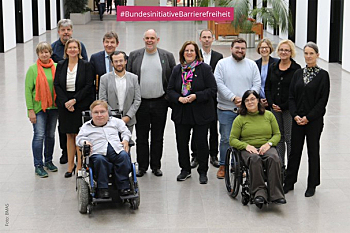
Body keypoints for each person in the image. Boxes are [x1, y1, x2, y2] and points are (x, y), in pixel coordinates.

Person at [283, 42, 330, 197]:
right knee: (294, 151)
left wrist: (308, 117)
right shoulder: (298, 73)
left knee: (313, 151)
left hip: (313, 121)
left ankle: (312, 184)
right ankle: (289, 182)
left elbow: (322, 101)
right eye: (306, 53)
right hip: (297, 120)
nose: (308, 56)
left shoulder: (323, 75)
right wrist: (295, 115)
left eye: (311, 53)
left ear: (317, 55)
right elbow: (291, 97)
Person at [127, 29, 176, 177]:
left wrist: (168, 98)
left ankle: (156, 166)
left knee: (157, 136)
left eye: (152, 38)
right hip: (140, 103)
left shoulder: (167, 56)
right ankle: (142, 166)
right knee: (141, 137)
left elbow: (172, 78)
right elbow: (129, 77)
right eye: (147, 38)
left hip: (160, 102)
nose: (149, 40)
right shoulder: (135, 56)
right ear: (144, 39)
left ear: (157, 40)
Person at [167, 41, 217, 184]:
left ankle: (203, 171)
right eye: (186, 51)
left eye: (192, 51)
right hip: (182, 113)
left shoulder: (205, 69)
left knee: (201, 142)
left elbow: (212, 89)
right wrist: (179, 98)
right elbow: (170, 90)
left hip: (201, 112)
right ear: (183, 53)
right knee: (182, 143)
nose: (189, 53)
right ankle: (185, 169)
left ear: (197, 53)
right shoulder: (177, 70)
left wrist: (196, 96)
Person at [230, 90, 286, 209]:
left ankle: (276, 194)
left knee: (274, 158)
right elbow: (232, 139)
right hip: (248, 148)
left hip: (265, 146)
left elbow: (277, 134)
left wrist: (269, 144)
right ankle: (259, 193)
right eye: (247, 100)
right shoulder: (240, 119)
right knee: (254, 159)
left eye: (252, 99)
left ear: (258, 100)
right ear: (244, 103)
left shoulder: (269, 115)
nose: (250, 102)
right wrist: (246, 146)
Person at [215, 38, 261, 179]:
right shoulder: (222, 64)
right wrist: (233, 98)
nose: (240, 51)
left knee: (245, 139)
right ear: (231, 48)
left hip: (246, 111)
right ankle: (223, 164)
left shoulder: (252, 65)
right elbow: (219, 83)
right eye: (237, 48)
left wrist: (247, 100)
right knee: (226, 139)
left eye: (243, 48)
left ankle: (240, 165)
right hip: (226, 108)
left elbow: (256, 84)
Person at [54, 38, 94, 178]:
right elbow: (57, 85)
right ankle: (70, 166)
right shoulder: (60, 65)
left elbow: (89, 85)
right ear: (66, 50)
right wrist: (66, 102)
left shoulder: (86, 65)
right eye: (69, 47)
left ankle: (79, 166)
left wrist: (74, 100)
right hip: (65, 105)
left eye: (75, 47)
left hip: (80, 103)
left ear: (79, 50)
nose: (72, 50)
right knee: (68, 135)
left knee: (79, 136)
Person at [76, 100, 132, 198]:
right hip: (98, 153)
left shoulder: (116, 122)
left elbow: (125, 131)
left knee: (124, 156)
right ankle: (102, 188)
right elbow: (79, 138)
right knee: (100, 160)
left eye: (102, 112)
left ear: (107, 112)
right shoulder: (86, 126)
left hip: (116, 150)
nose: (99, 115)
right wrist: (85, 142)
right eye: (96, 112)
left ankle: (123, 186)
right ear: (91, 114)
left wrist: (126, 140)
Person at [51, 19, 88, 165]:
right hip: (63, 97)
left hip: (78, 96)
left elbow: (85, 64)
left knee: (79, 130)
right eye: (63, 30)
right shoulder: (54, 48)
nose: (66, 32)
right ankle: (65, 153)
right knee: (64, 129)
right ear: (59, 31)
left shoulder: (80, 46)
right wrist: (64, 100)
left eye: (68, 30)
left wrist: (75, 99)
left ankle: (79, 160)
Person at [190, 29, 223, 169]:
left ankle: (213, 154)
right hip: (198, 97)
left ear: (213, 39)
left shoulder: (218, 56)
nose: (207, 40)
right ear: (200, 39)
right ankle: (196, 155)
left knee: (213, 128)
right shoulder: (194, 56)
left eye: (209, 37)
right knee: (196, 126)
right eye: (204, 37)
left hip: (213, 97)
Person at [265, 39, 301, 166]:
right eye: (281, 50)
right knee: (278, 137)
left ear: (291, 52)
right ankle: (280, 166)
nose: (283, 52)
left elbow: (297, 92)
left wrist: (284, 106)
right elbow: (268, 87)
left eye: (286, 50)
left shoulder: (296, 69)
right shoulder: (273, 66)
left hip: (288, 109)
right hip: (274, 108)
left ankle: (291, 167)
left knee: (289, 138)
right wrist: (271, 103)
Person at [25, 42, 58, 178]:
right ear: (38, 54)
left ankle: (48, 161)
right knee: (39, 136)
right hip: (39, 108)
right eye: (41, 52)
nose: (44, 54)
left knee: (50, 135)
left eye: (46, 52)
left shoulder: (56, 67)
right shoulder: (33, 69)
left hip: (54, 107)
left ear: (50, 53)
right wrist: (30, 110)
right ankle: (38, 165)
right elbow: (28, 91)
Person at [99, 51, 141, 133]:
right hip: (110, 120)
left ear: (125, 61)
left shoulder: (134, 78)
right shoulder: (104, 79)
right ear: (112, 63)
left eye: (121, 61)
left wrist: (128, 116)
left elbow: (137, 99)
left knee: (127, 144)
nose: (119, 63)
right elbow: (102, 100)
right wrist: (114, 116)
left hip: (128, 121)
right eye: (116, 61)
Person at [90, 31, 120, 98]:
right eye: (107, 42)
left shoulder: (123, 58)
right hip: (102, 96)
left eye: (112, 42)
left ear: (117, 44)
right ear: (103, 43)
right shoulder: (95, 58)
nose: (109, 45)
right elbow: (90, 81)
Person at [255, 39, 278, 109]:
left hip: (273, 100)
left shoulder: (277, 63)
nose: (264, 49)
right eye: (262, 47)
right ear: (259, 49)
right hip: (259, 100)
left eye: (266, 47)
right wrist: (258, 99)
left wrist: (269, 100)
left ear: (270, 48)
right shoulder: (255, 64)